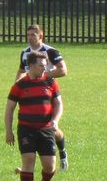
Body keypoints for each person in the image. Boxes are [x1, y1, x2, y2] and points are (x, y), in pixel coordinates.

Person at [5, 51, 62, 181]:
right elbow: (9, 108)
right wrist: (8, 131)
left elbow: (58, 104)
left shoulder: (50, 82)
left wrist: (55, 120)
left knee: (50, 167)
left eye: (45, 65)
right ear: (31, 66)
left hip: (46, 128)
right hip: (26, 128)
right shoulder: (20, 85)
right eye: (41, 66)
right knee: (28, 159)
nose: (45, 69)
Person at [18, 24, 69, 171]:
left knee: (52, 128)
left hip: (48, 94)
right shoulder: (24, 53)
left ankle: (62, 152)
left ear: (41, 36)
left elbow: (63, 70)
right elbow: (21, 70)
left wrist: (43, 76)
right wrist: (17, 86)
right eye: (28, 35)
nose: (30, 38)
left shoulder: (50, 51)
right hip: (31, 95)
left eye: (33, 35)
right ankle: (29, 164)